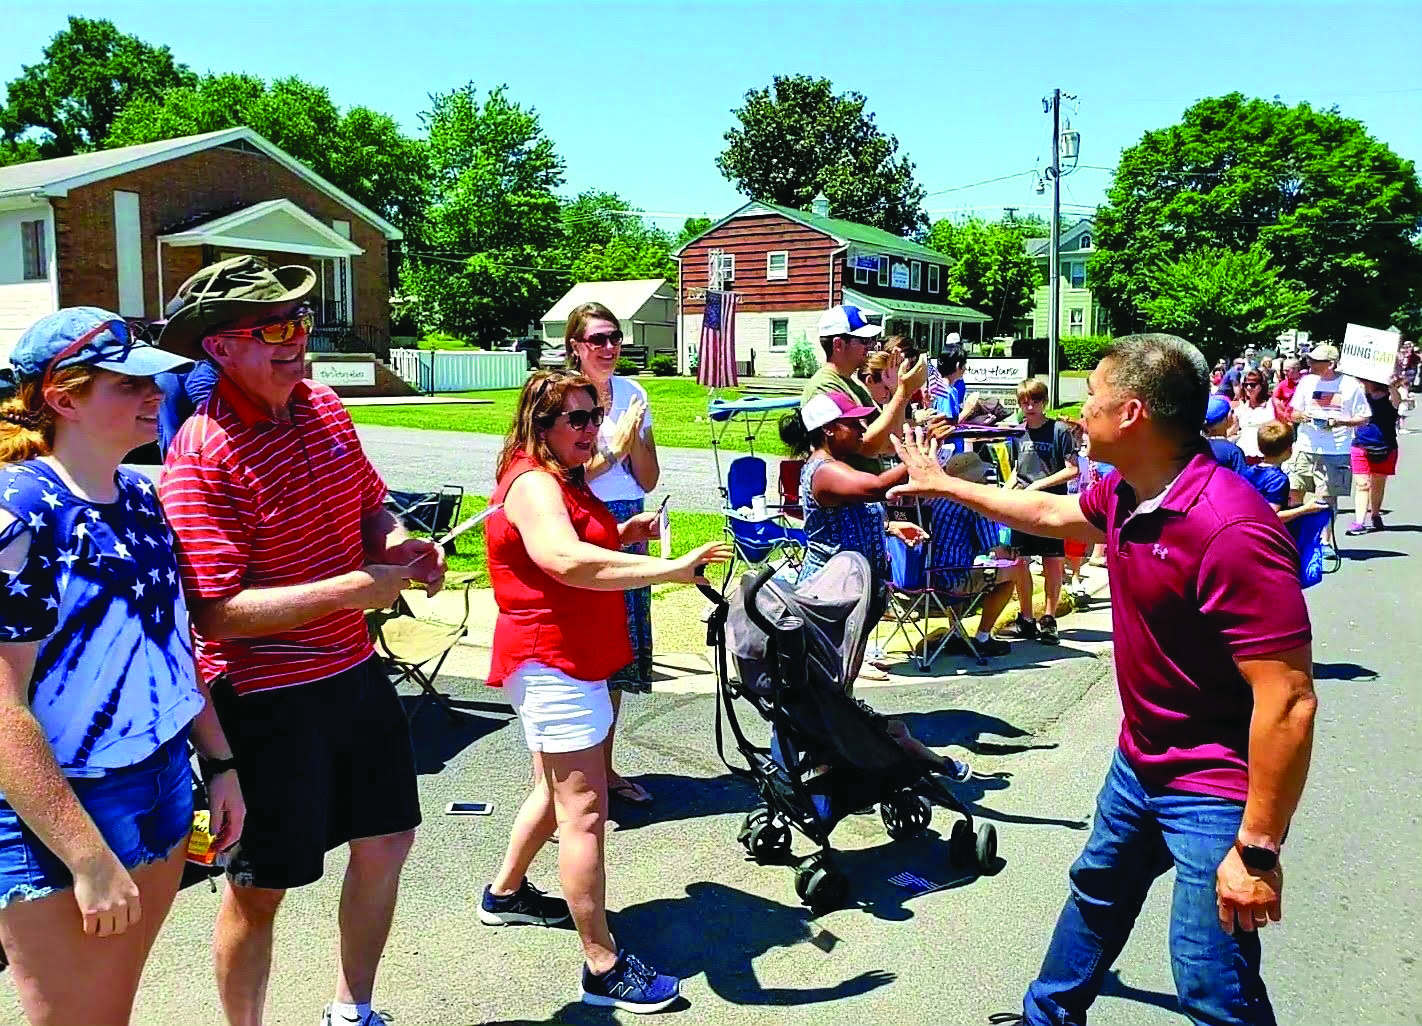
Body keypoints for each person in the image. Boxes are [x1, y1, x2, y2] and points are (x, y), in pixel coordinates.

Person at [892, 333, 1316, 1026]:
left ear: (1132, 414)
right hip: (1140, 761)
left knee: (1211, 981)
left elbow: (1290, 700)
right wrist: (946, 485)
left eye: (1092, 396)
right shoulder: (1128, 490)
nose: (1078, 411)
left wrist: (1258, 849)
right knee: (1097, 893)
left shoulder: (1230, 528)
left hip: (1215, 786)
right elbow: (1052, 514)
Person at [156, 256, 438, 1026]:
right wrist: (352, 589)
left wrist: (399, 545)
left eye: (300, 322)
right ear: (220, 348)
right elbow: (216, 614)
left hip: (352, 669)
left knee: (387, 839)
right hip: (264, 700)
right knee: (262, 888)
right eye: (274, 329)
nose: (297, 340)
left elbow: (372, 506)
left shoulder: (324, 407)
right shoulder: (202, 453)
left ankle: (352, 1009)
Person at [0, 309, 243, 1026]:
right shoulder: (20, 511)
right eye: (126, 384)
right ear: (62, 399)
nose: (153, 394)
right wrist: (86, 855)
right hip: (61, 806)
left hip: (161, 779)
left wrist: (220, 763)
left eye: (150, 381)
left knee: (114, 1003)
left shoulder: (139, 494)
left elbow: (171, 645)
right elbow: (3, 707)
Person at [479, 370, 730, 1013]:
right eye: (578, 419)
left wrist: (621, 535)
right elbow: (563, 560)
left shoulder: (560, 477)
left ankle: (504, 895)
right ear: (540, 425)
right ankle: (601, 964)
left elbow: (566, 546)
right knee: (585, 814)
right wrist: (667, 569)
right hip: (553, 659)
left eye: (595, 416)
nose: (593, 429)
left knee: (554, 791)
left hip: (570, 656)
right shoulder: (535, 484)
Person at [778, 391, 971, 778]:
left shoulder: (839, 467)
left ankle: (837, 761)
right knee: (830, 687)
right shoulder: (823, 470)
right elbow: (875, 487)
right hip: (831, 601)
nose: (862, 428)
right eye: (853, 423)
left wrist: (891, 526)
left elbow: (852, 514)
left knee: (838, 688)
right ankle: (828, 764)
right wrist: (921, 450)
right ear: (829, 430)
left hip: (855, 597)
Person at [564, 302, 661, 805]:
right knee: (584, 647)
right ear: (575, 346)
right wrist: (614, 448)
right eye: (597, 339)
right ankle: (566, 780)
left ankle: (603, 769)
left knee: (619, 650)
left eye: (615, 338)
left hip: (629, 516)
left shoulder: (633, 393)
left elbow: (648, 477)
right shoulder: (562, 397)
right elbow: (562, 477)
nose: (608, 347)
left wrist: (634, 440)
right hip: (581, 518)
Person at [996, 378, 1077, 646]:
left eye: (1035, 401)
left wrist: (1038, 485)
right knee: (1020, 561)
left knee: (1052, 561)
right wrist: (1004, 493)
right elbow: (1017, 470)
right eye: (1024, 402)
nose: (1030, 407)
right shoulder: (1017, 435)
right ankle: (1027, 618)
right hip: (1023, 506)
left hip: (1051, 505)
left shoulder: (1059, 431)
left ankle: (1049, 619)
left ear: (1044, 402)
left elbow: (1072, 469)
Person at [802, 305, 926, 473]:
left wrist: (895, 391)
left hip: (865, 485)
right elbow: (866, 446)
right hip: (849, 488)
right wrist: (902, 393)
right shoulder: (824, 387)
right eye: (864, 340)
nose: (871, 345)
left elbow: (890, 444)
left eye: (871, 340)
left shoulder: (855, 386)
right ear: (838, 344)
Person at [1286, 342, 1370, 553]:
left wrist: (1340, 421)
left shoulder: (1350, 385)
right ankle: (1296, 539)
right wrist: (1302, 416)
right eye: (1310, 360)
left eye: (1315, 361)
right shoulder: (1306, 382)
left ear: (1330, 364)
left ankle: (1325, 541)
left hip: (1335, 450)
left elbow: (1364, 417)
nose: (1310, 364)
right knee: (1294, 492)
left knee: (1326, 497)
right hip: (1306, 446)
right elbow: (1292, 413)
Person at [1344, 375, 1403, 535]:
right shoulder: (1361, 397)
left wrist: (1392, 385)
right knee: (1362, 485)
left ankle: (1375, 514)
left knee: (1378, 484)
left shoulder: (1389, 397)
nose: (1363, 382)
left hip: (1385, 446)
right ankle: (1359, 521)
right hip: (1361, 446)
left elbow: (1397, 400)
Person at [1233, 367, 1275, 462]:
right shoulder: (1241, 406)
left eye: (1252, 385)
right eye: (1246, 385)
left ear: (1261, 386)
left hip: (1264, 455)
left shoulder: (1270, 405)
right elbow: (1233, 429)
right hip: (1243, 455)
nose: (1248, 388)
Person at [1204, 394, 1250, 475]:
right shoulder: (1232, 452)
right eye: (1232, 412)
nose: (1235, 414)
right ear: (1225, 419)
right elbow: (1242, 480)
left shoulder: (1198, 447)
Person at [1271, 358, 1302, 423]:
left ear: (1296, 369)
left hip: (1302, 418)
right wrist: (1280, 409)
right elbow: (1275, 397)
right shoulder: (1283, 384)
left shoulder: (1306, 381)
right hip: (1288, 420)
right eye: (1283, 370)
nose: (1284, 373)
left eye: (1287, 370)